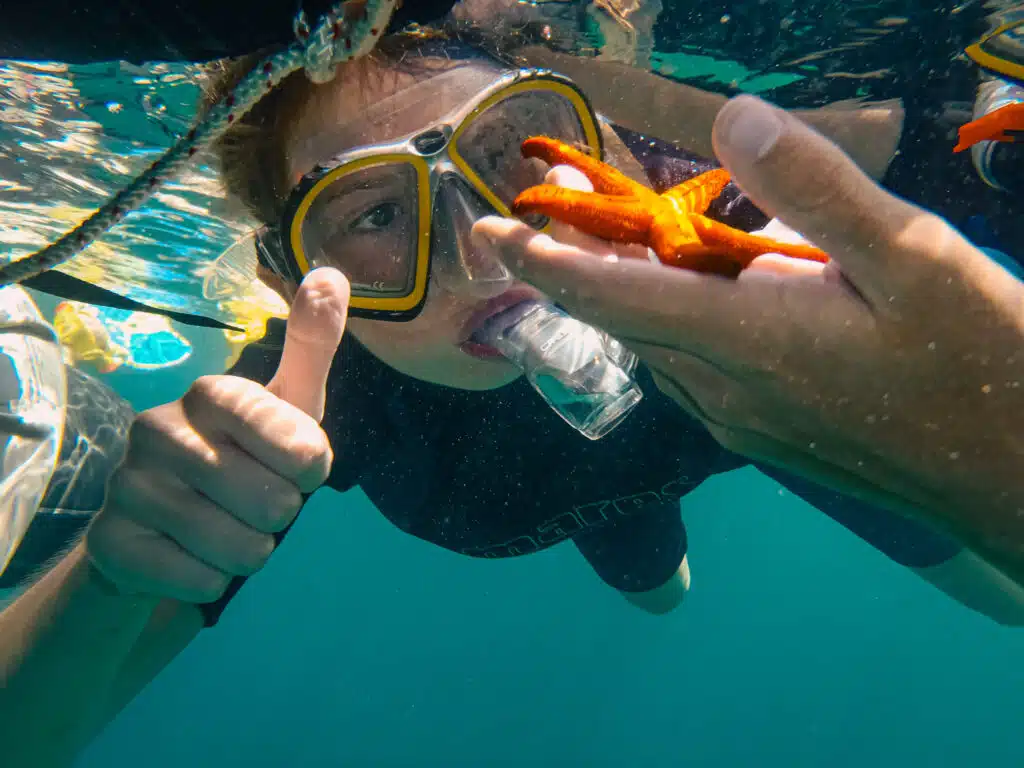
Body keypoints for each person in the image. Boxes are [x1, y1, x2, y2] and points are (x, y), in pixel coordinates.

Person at [3, 27, 1024, 766]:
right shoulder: (301, 403)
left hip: (777, 434)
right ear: (291, 277)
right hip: (567, 494)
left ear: (596, 139)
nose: (481, 252)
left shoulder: (749, 258)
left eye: (515, 151)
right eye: (369, 216)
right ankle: (644, 541)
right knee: (658, 590)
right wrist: (114, 574)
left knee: (1005, 605)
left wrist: (979, 439)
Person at [474, 91, 1024, 588]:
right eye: (383, 213)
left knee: (1001, 599)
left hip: (760, 399)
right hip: (611, 457)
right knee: (657, 589)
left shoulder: (712, 205)